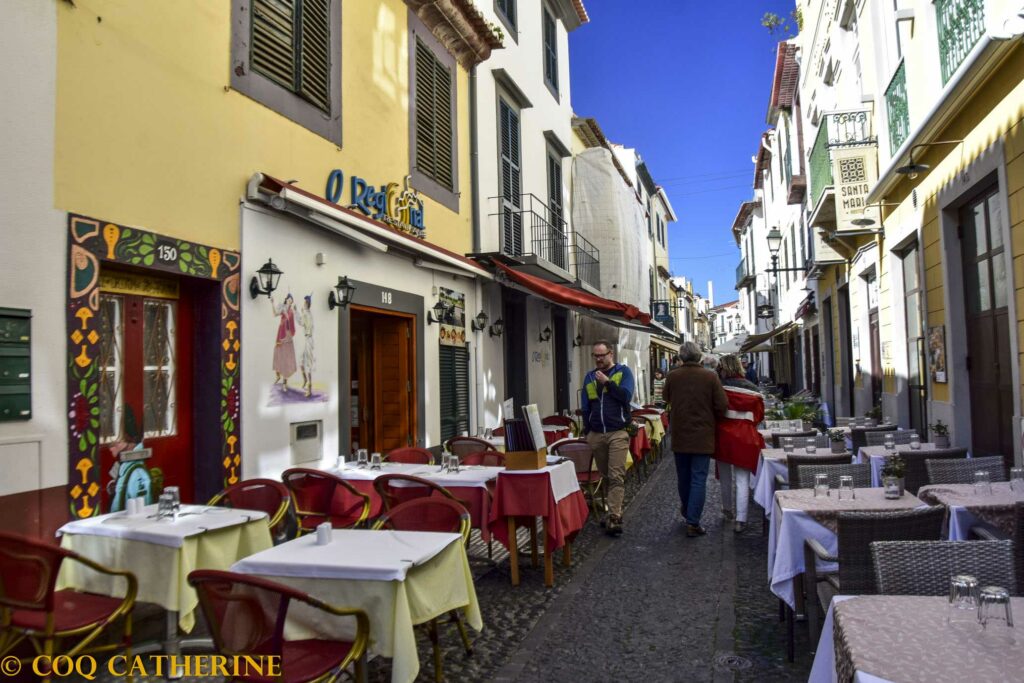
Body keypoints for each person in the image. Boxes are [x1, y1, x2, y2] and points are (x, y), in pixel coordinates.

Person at [663, 341, 728, 537]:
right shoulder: (710, 377)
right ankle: (693, 521)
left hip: (680, 434)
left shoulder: (673, 376)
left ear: (682, 357)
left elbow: (666, 397)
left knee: (683, 477)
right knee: (698, 478)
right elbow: (722, 404)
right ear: (699, 356)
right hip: (703, 435)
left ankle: (687, 510)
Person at [581, 340, 635, 537]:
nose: (598, 359)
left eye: (602, 355)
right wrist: (588, 431)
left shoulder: (624, 372)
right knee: (605, 476)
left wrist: (607, 382)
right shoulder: (589, 377)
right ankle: (608, 510)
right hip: (596, 434)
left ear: (610, 354)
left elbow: (625, 397)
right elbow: (586, 406)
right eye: (595, 356)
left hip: (617, 432)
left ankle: (614, 517)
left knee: (616, 475)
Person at [714, 354, 765, 533]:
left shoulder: (719, 388)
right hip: (746, 437)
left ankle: (727, 509)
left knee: (725, 477)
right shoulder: (753, 389)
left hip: (723, 436)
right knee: (743, 479)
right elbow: (759, 416)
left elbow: (715, 410)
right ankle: (741, 519)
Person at [271, 293, 297, 388]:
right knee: (278, 354)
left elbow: (292, 325)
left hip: (288, 335)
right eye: (289, 299)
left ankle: (285, 382)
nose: (290, 301)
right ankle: (278, 375)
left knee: (287, 358)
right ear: (286, 300)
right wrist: (272, 303)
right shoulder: (282, 308)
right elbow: (275, 314)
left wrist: (291, 334)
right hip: (281, 334)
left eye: (291, 300)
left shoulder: (291, 312)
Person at [299, 294, 315, 397]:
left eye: (304, 303)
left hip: (309, 340)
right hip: (306, 339)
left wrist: (300, 313)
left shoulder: (307, 315)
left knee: (308, 364)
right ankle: (305, 379)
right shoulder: (307, 314)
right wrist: (301, 313)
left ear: (307, 304)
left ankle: (309, 388)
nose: (303, 304)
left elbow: (302, 323)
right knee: (301, 362)